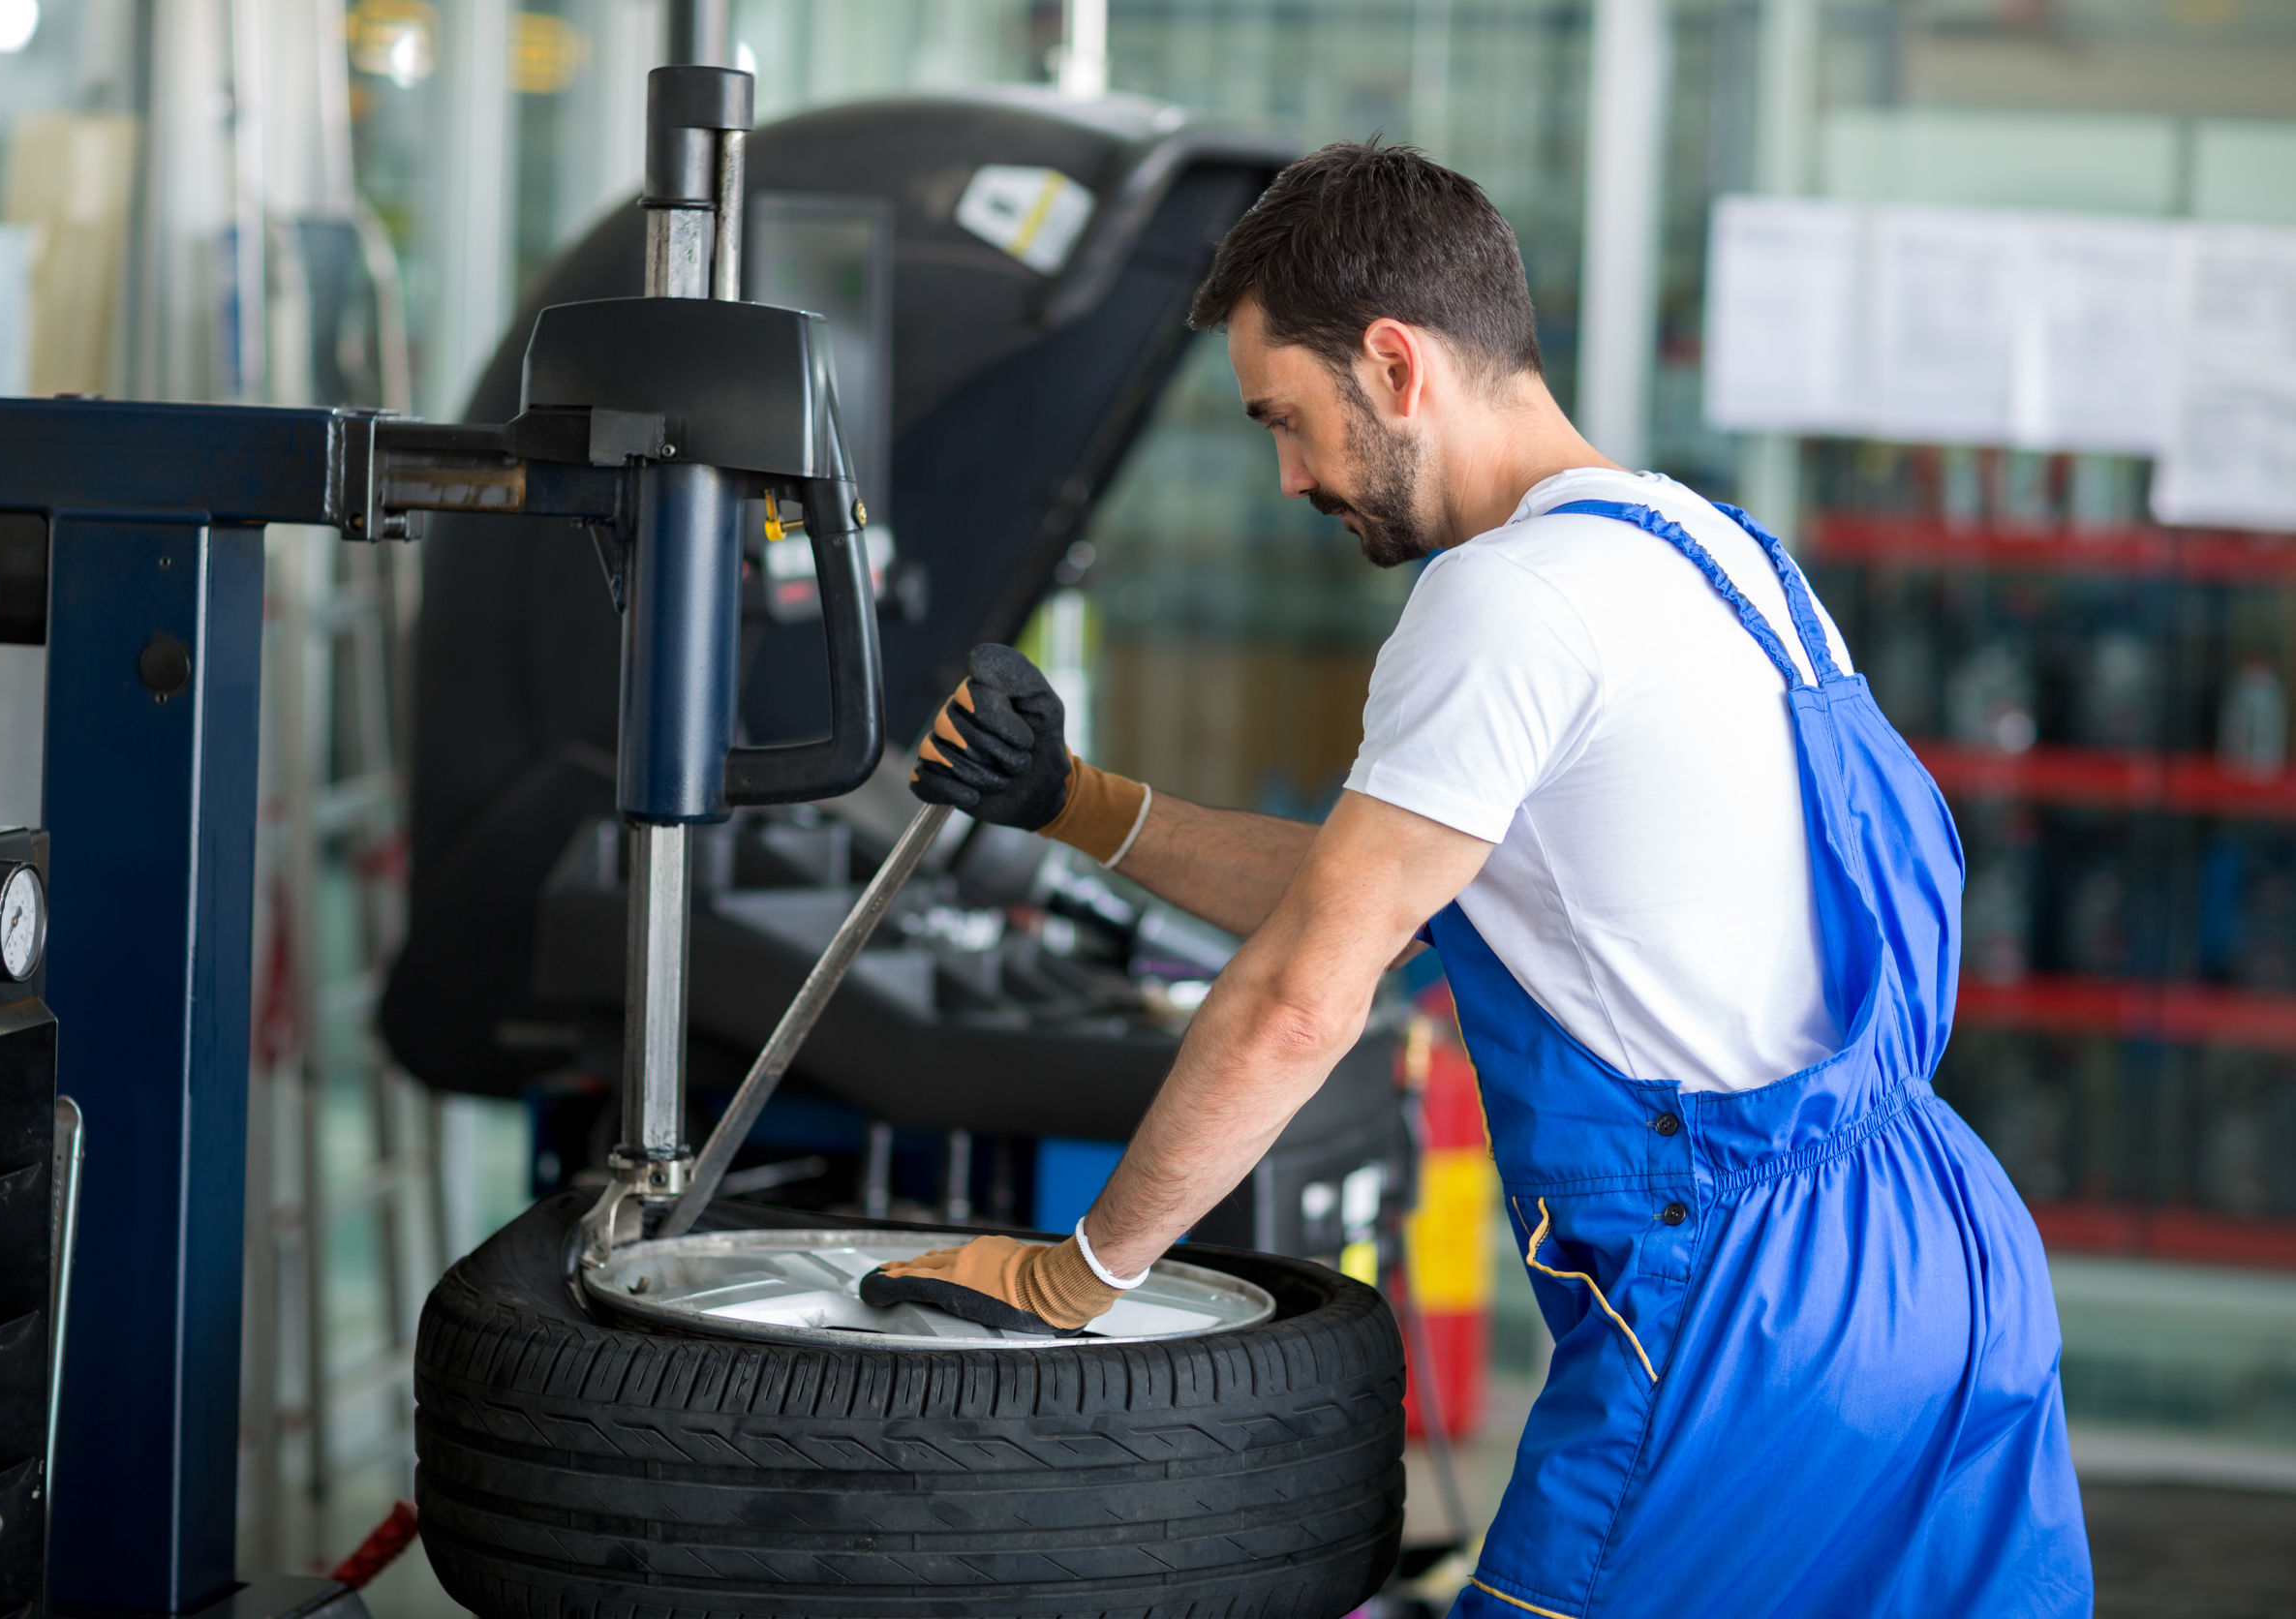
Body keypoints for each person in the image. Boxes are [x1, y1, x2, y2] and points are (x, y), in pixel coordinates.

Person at [858, 141, 2094, 1617]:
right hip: (1943, 1257)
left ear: (1392, 363)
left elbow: (1305, 996)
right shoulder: (1712, 551)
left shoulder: (1504, 599)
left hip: (1744, 1318)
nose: (1292, 475)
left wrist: (1079, 1276)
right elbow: (1368, 896)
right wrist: (1076, 802)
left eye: (1289, 420)